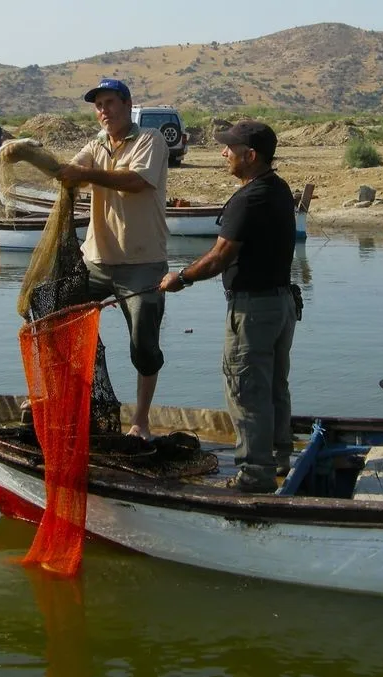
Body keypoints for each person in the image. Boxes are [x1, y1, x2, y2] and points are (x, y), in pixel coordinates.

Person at [159, 120, 298, 493]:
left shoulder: (249, 199)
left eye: (229, 148)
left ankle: (255, 475)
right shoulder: (279, 189)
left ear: (250, 156)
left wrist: (181, 278)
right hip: (281, 305)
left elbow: (220, 257)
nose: (223, 153)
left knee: (246, 389)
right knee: (273, 387)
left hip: (252, 310)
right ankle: (279, 457)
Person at [55, 78, 170, 440]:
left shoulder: (151, 140)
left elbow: (136, 181)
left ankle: (141, 420)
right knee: (57, 321)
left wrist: (84, 174)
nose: (103, 111)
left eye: (109, 103)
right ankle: (55, 399)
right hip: (96, 262)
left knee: (143, 344)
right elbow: (70, 173)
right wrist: (28, 155)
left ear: (126, 104)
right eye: (98, 105)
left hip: (142, 264)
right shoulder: (95, 145)